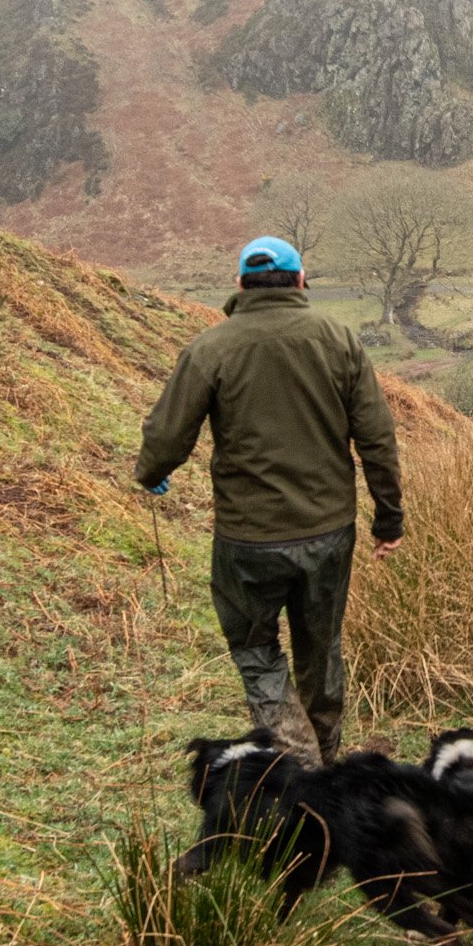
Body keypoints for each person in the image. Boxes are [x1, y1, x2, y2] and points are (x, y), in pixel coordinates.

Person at [134, 235, 402, 764]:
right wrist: (388, 518)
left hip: (247, 540)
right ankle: (323, 755)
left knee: (256, 651)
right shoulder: (340, 340)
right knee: (319, 649)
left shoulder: (212, 347)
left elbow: (166, 438)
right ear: (301, 282)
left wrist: (153, 473)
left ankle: (295, 756)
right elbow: (377, 438)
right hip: (328, 533)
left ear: (240, 285)